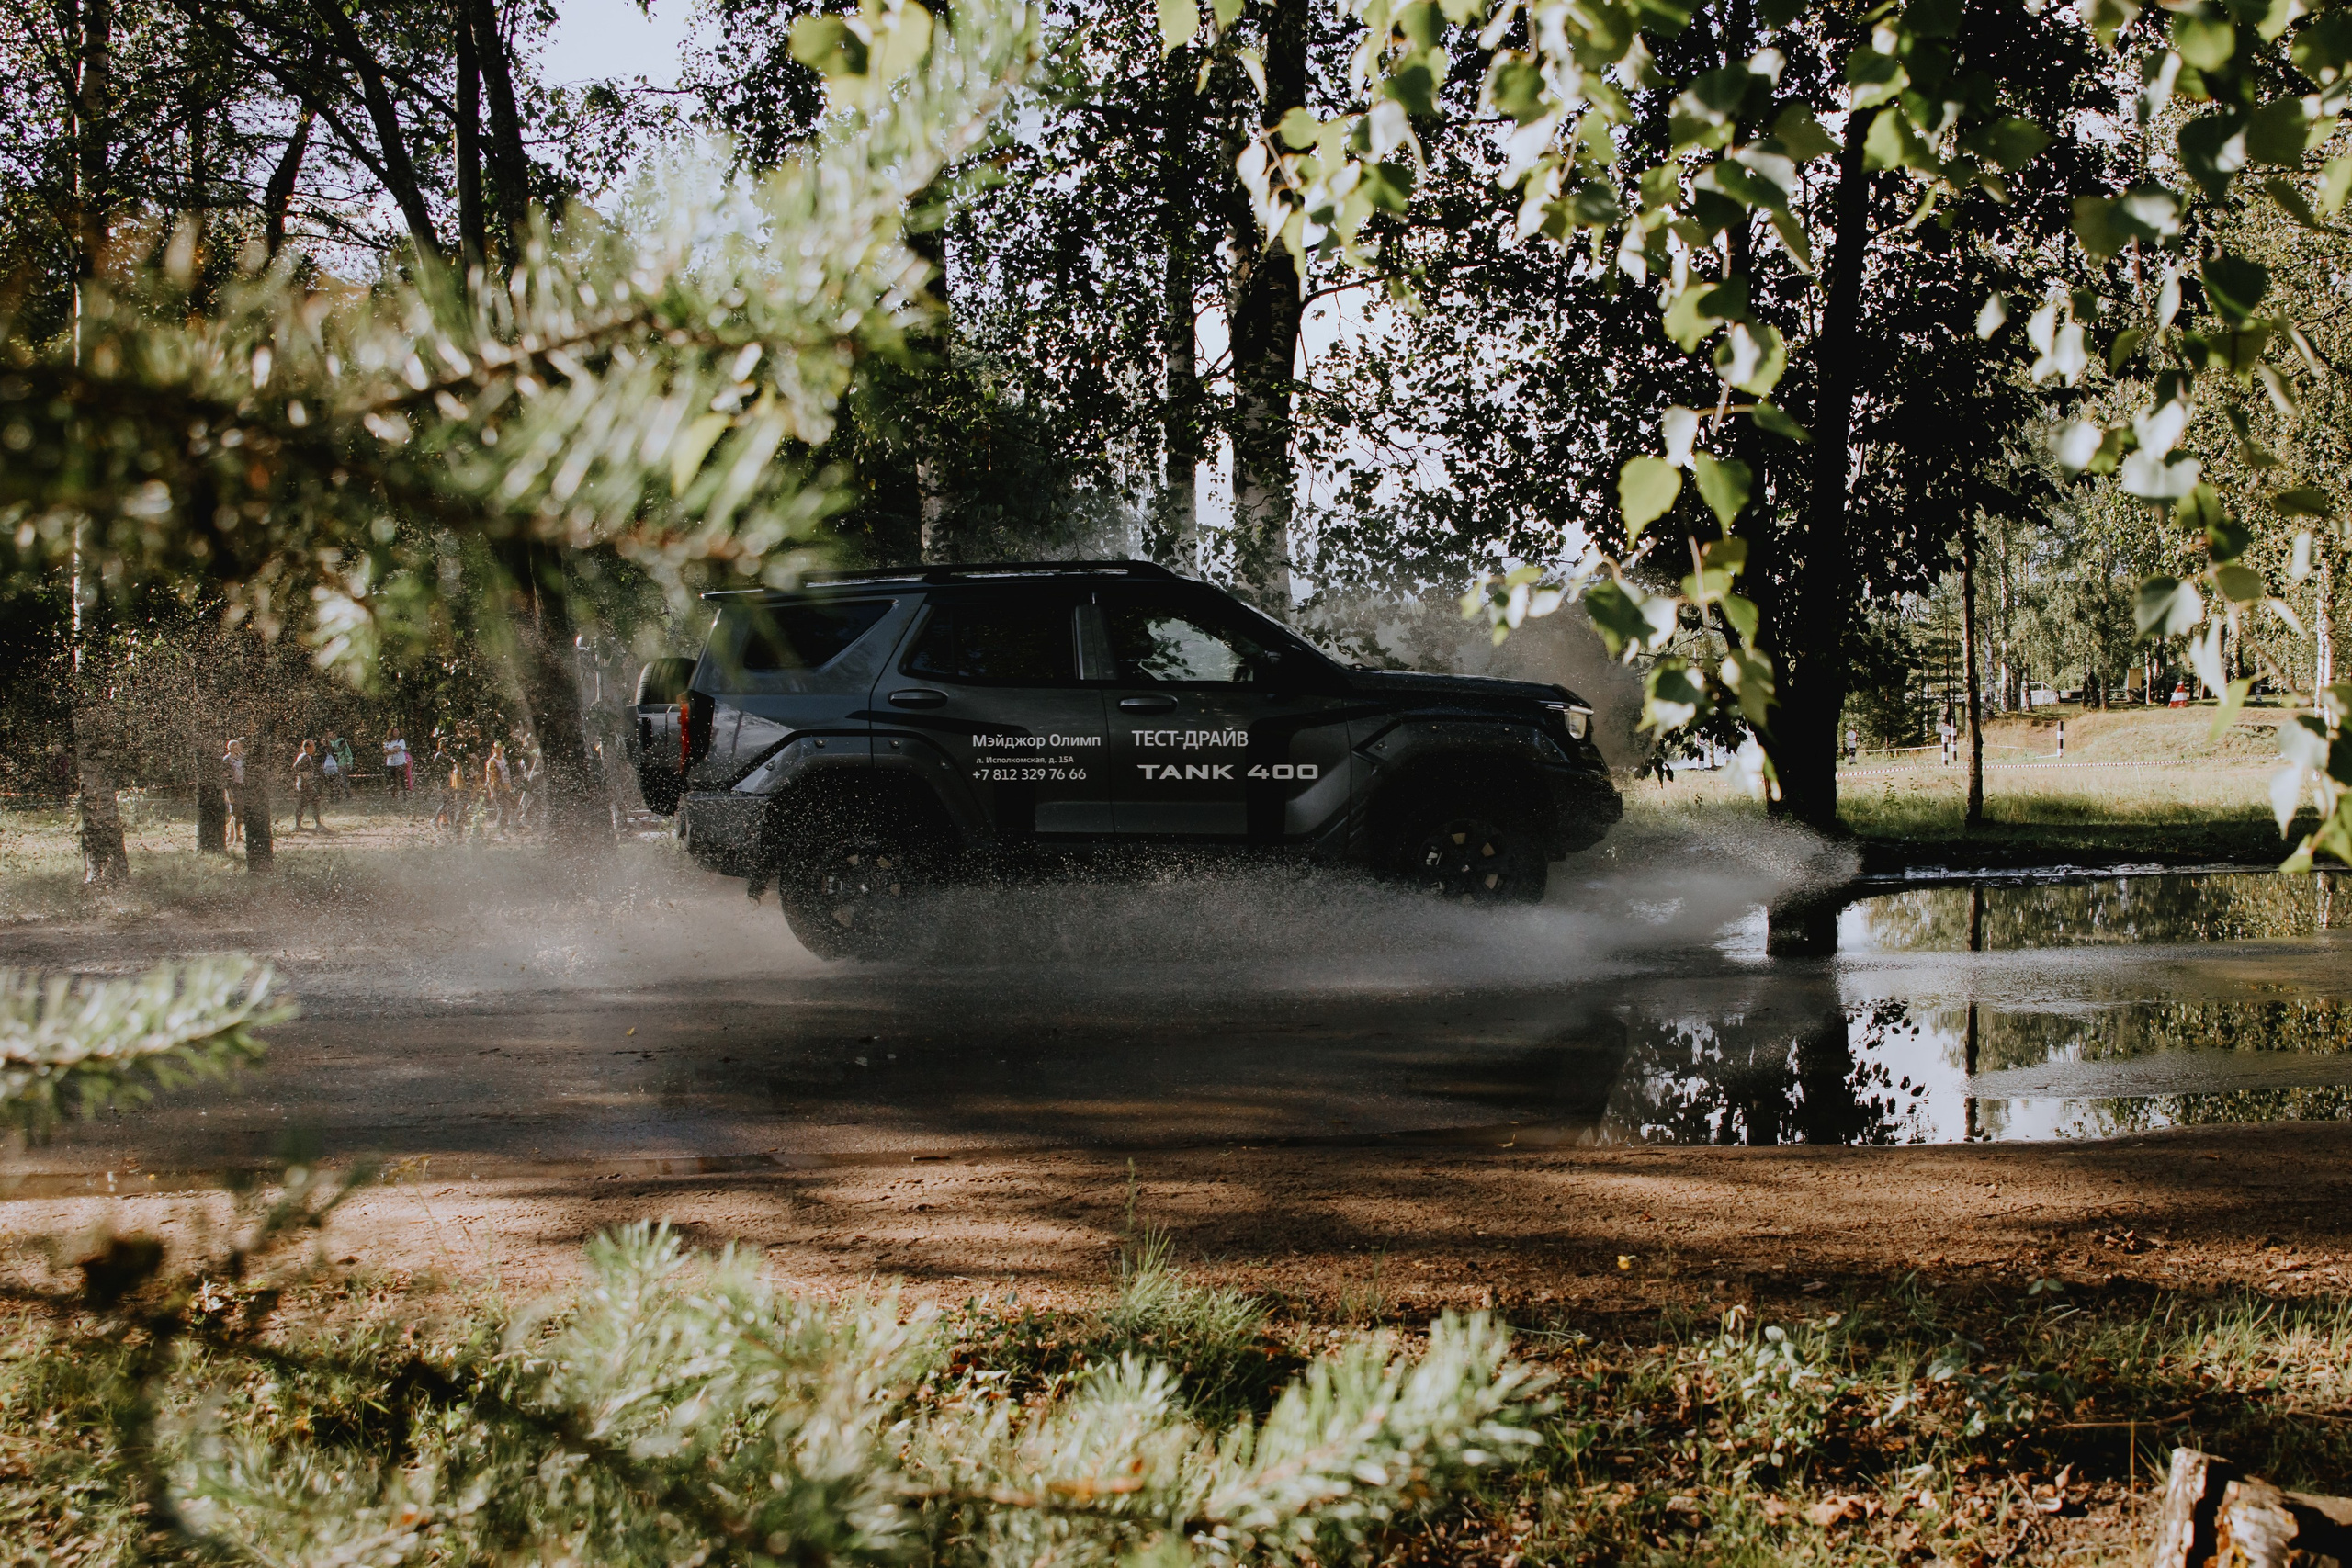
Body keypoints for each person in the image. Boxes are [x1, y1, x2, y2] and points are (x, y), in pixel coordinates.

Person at [291, 739, 325, 830]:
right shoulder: (304, 756)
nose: (314, 748)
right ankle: (315, 825)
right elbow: (295, 767)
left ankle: (300, 825)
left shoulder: (306, 756)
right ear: (307, 747)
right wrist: (303, 777)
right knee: (307, 803)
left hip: (305, 783)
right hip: (304, 784)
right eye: (312, 746)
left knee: (308, 803)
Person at [431, 736, 460, 830]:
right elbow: (439, 773)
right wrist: (443, 785)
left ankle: (451, 823)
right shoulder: (439, 756)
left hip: (451, 780)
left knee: (452, 803)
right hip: (444, 782)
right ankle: (436, 821)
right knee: (446, 803)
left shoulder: (449, 755)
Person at [222, 738, 245, 846]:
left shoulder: (241, 758)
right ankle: (235, 836)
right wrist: (229, 792)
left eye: (238, 746)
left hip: (241, 787)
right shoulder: (227, 760)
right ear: (230, 748)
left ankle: (234, 835)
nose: (237, 748)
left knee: (239, 812)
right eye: (234, 747)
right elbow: (226, 779)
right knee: (236, 811)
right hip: (233, 788)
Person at [383, 729, 412, 807]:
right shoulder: (387, 742)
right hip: (390, 763)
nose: (396, 733)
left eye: (397, 731)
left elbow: (398, 749)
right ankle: (393, 797)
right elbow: (385, 752)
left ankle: (405, 796)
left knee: (402, 780)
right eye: (395, 731)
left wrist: (390, 750)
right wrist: (392, 750)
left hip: (400, 763)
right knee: (392, 781)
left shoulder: (401, 741)